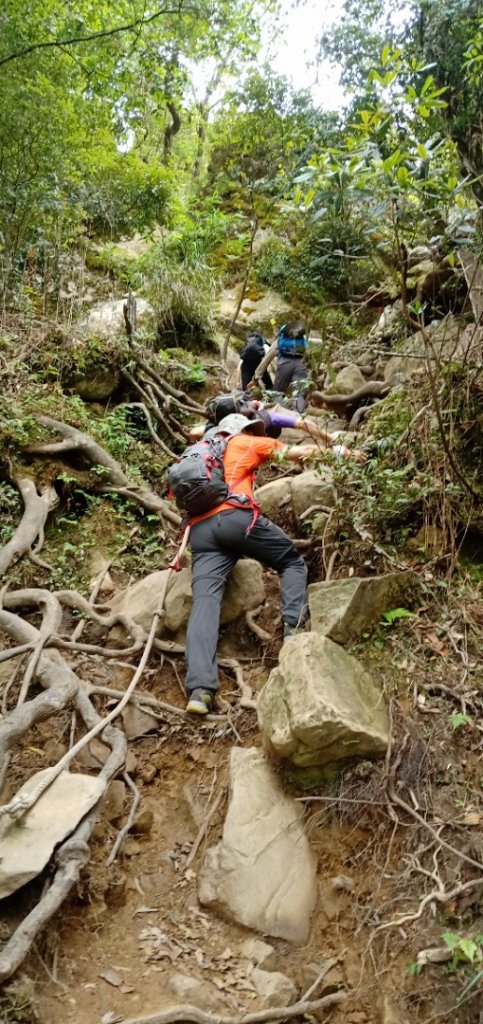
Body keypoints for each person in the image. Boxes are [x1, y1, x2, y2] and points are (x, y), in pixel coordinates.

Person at [183, 413, 317, 715]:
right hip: (235, 519)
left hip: (201, 532)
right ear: (243, 429)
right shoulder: (247, 442)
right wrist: (345, 452)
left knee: (205, 603)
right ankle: (293, 634)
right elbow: (301, 451)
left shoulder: (203, 452)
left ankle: (200, 691)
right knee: (292, 561)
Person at [273, 320, 311, 412]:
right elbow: (308, 353)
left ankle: (279, 414)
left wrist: (257, 376)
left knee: (278, 392)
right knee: (299, 393)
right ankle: (298, 415)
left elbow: (269, 356)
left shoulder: (280, 340)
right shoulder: (302, 340)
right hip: (300, 364)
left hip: (284, 364)